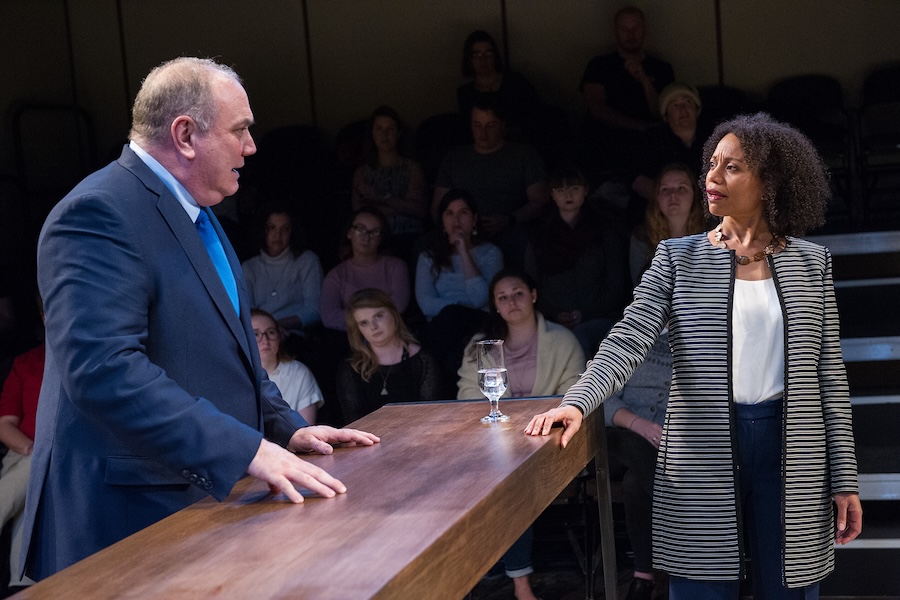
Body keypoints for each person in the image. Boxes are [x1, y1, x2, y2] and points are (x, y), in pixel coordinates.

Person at [21, 57, 380, 581]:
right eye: (240, 131)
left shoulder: (197, 209)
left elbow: (229, 351)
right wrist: (245, 448)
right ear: (185, 135)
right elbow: (103, 370)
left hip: (197, 506)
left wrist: (285, 431)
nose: (251, 147)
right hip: (125, 521)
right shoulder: (98, 213)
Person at [526, 113, 862, 599]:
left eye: (732, 167)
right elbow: (628, 338)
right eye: (712, 164)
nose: (712, 177)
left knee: (788, 588)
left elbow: (829, 375)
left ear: (770, 180)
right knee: (701, 587)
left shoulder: (811, 262)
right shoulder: (676, 257)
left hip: (793, 449)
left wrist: (844, 476)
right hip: (701, 446)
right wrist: (578, 402)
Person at [458, 268, 584, 600]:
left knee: (509, 478)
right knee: (491, 475)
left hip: (549, 443)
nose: (511, 301)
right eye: (502, 297)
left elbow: (574, 395)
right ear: (495, 306)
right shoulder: (479, 346)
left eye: (517, 293)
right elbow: (466, 399)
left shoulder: (562, 339)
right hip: (493, 446)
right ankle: (511, 582)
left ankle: (519, 583)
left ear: (533, 295)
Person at [432, 94, 549, 265]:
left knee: (524, 242)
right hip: (461, 229)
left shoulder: (524, 155)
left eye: (490, 126)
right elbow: (437, 206)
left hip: (510, 228)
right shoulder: (454, 158)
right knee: (424, 246)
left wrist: (508, 219)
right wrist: (456, 228)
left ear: (502, 125)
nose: (483, 133)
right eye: (477, 126)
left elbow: (540, 202)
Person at [525, 166, 630, 357]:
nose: (568, 195)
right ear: (552, 194)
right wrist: (555, 314)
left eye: (574, 188)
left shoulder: (604, 231)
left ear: (585, 190)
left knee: (580, 338)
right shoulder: (540, 236)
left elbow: (616, 286)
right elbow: (531, 285)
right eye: (561, 190)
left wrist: (585, 313)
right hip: (551, 319)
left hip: (598, 316)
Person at [604, 330, 670, 600]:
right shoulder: (629, 334)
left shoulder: (700, 335)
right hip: (622, 437)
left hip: (669, 447)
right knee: (629, 445)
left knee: (634, 484)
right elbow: (602, 395)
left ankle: (643, 577)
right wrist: (638, 424)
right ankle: (683, 518)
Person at [416, 190, 503, 393]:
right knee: (451, 319)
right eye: (449, 213)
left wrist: (463, 250)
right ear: (442, 221)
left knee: (456, 321)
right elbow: (426, 304)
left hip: (478, 322)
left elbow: (483, 298)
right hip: (441, 326)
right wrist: (458, 307)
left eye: (463, 212)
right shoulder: (428, 257)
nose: (456, 219)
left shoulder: (490, 253)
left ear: (474, 219)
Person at [336, 289, 441, 423]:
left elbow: (431, 415)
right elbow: (354, 421)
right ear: (358, 329)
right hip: (369, 440)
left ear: (393, 314)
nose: (373, 326)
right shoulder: (351, 368)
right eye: (364, 323)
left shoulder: (423, 360)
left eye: (378, 316)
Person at [0, 300, 43, 591]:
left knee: (34, 487)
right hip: (25, 456)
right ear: (43, 315)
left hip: (67, 461)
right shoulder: (26, 363)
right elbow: (4, 425)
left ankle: (21, 585)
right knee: (33, 474)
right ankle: (22, 585)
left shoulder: (81, 360)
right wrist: (33, 451)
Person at [580, 6, 674, 132]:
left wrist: (645, 80)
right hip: (607, 139)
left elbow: (664, 113)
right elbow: (596, 108)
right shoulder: (598, 65)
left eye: (636, 28)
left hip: (651, 140)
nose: (631, 34)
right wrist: (638, 127)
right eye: (624, 29)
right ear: (616, 31)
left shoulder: (662, 68)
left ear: (644, 30)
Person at [351, 106, 427, 262]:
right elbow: (358, 212)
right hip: (372, 239)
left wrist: (380, 198)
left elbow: (419, 209)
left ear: (399, 134)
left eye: (390, 129)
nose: (384, 134)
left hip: (408, 237)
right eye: (379, 129)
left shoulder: (412, 169)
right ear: (372, 134)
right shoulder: (361, 173)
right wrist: (399, 205)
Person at [320, 207, 410, 332]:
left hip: (390, 334)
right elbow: (329, 316)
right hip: (349, 339)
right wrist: (369, 321)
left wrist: (359, 317)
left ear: (381, 238)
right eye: (360, 229)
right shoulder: (336, 275)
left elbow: (399, 305)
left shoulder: (396, 266)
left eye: (374, 232)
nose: (366, 237)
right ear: (349, 233)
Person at [241, 206, 323, 336]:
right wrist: (269, 330)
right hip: (259, 336)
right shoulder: (249, 267)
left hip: (296, 335)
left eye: (285, 229)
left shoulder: (307, 261)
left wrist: (279, 326)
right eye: (272, 228)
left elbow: (315, 310)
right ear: (263, 230)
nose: (277, 235)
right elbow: (247, 312)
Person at [629, 163, 708, 286]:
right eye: (665, 189)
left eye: (681, 188)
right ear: (657, 197)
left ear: (694, 194)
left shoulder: (712, 236)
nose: (673, 195)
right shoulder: (641, 239)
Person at [632, 83, 710, 201]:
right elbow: (639, 181)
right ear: (666, 115)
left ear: (696, 109)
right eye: (675, 105)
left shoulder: (714, 137)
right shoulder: (652, 140)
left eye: (688, 102)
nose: (682, 109)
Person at [456, 30, 540, 135]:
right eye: (477, 55)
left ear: (495, 57)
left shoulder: (516, 82)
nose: (483, 59)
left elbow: (536, 117)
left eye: (488, 53)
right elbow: (468, 131)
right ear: (469, 59)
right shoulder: (465, 94)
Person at [251, 308, 323, 424]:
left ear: (279, 337)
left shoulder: (299, 373)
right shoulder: (238, 377)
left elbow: (306, 428)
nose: (265, 340)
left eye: (271, 332)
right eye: (255, 334)